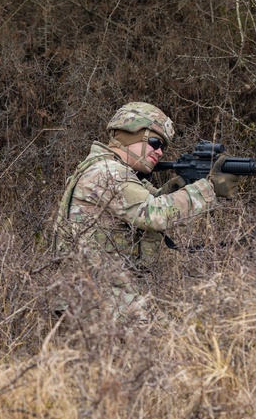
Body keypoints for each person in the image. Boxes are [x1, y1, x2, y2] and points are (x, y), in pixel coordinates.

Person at [52, 101, 238, 320]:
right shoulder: (108, 173)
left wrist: (175, 189)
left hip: (96, 294)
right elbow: (154, 215)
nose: (159, 152)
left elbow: (142, 207)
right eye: (154, 142)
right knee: (172, 345)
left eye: (163, 147)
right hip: (96, 298)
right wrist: (208, 189)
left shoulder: (107, 169)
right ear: (132, 134)